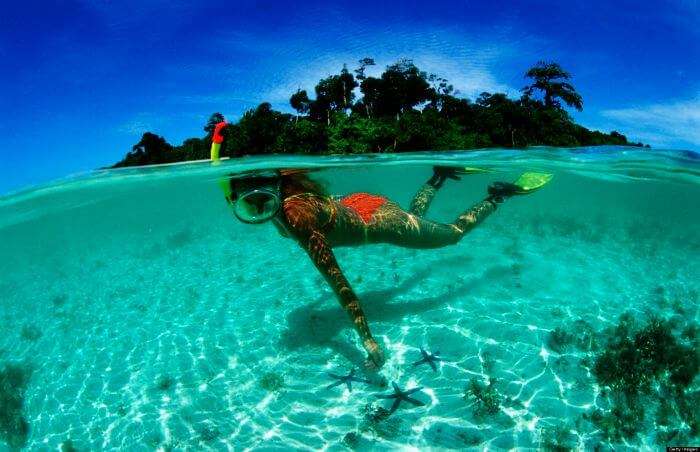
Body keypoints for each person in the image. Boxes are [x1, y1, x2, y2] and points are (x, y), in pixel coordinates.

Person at [211, 121, 551, 369]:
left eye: (260, 202)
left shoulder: (298, 217)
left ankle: (498, 196)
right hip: (359, 204)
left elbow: (337, 280)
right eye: (249, 205)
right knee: (413, 219)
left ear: (273, 188)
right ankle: (439, 176)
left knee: (451, 235)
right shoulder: (272, 197)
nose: (258, 210)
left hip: (376, 220)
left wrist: (367, 339)